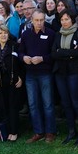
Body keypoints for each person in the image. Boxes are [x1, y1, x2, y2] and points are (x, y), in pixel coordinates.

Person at [19, 10, 57, 143]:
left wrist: (42, 58)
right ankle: (38, 131)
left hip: (45, 73)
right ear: (32, 21)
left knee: (48, 104)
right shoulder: (26, 35)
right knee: (33, 104)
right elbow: (20, 52)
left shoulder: (51, 34)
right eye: (37, 20)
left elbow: (54, 55)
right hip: (30, 74)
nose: (39, 23)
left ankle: (50, 132)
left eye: (42, 20)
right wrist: (24, 57)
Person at [51, 11, 78, 145]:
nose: (64, 22)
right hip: (60, 73)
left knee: (76, 102)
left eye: (67, 19)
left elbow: (77, 52)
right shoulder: (57, 34)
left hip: (74, 72)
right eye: (62, 20)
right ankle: (72, 131)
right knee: (65, 103)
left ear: (72, 20)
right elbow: (53, 53)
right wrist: (68, 54)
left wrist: (62, 52)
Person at [0, 25, 24, 142]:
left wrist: (21, 77)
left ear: (8, 35)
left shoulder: (15, 47)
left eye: (5, 33)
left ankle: (14, 131)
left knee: (12, 107)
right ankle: (5, 130)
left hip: (13, 81)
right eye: (0, 33)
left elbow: (21, 64)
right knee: (2, 107)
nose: (3, 35)